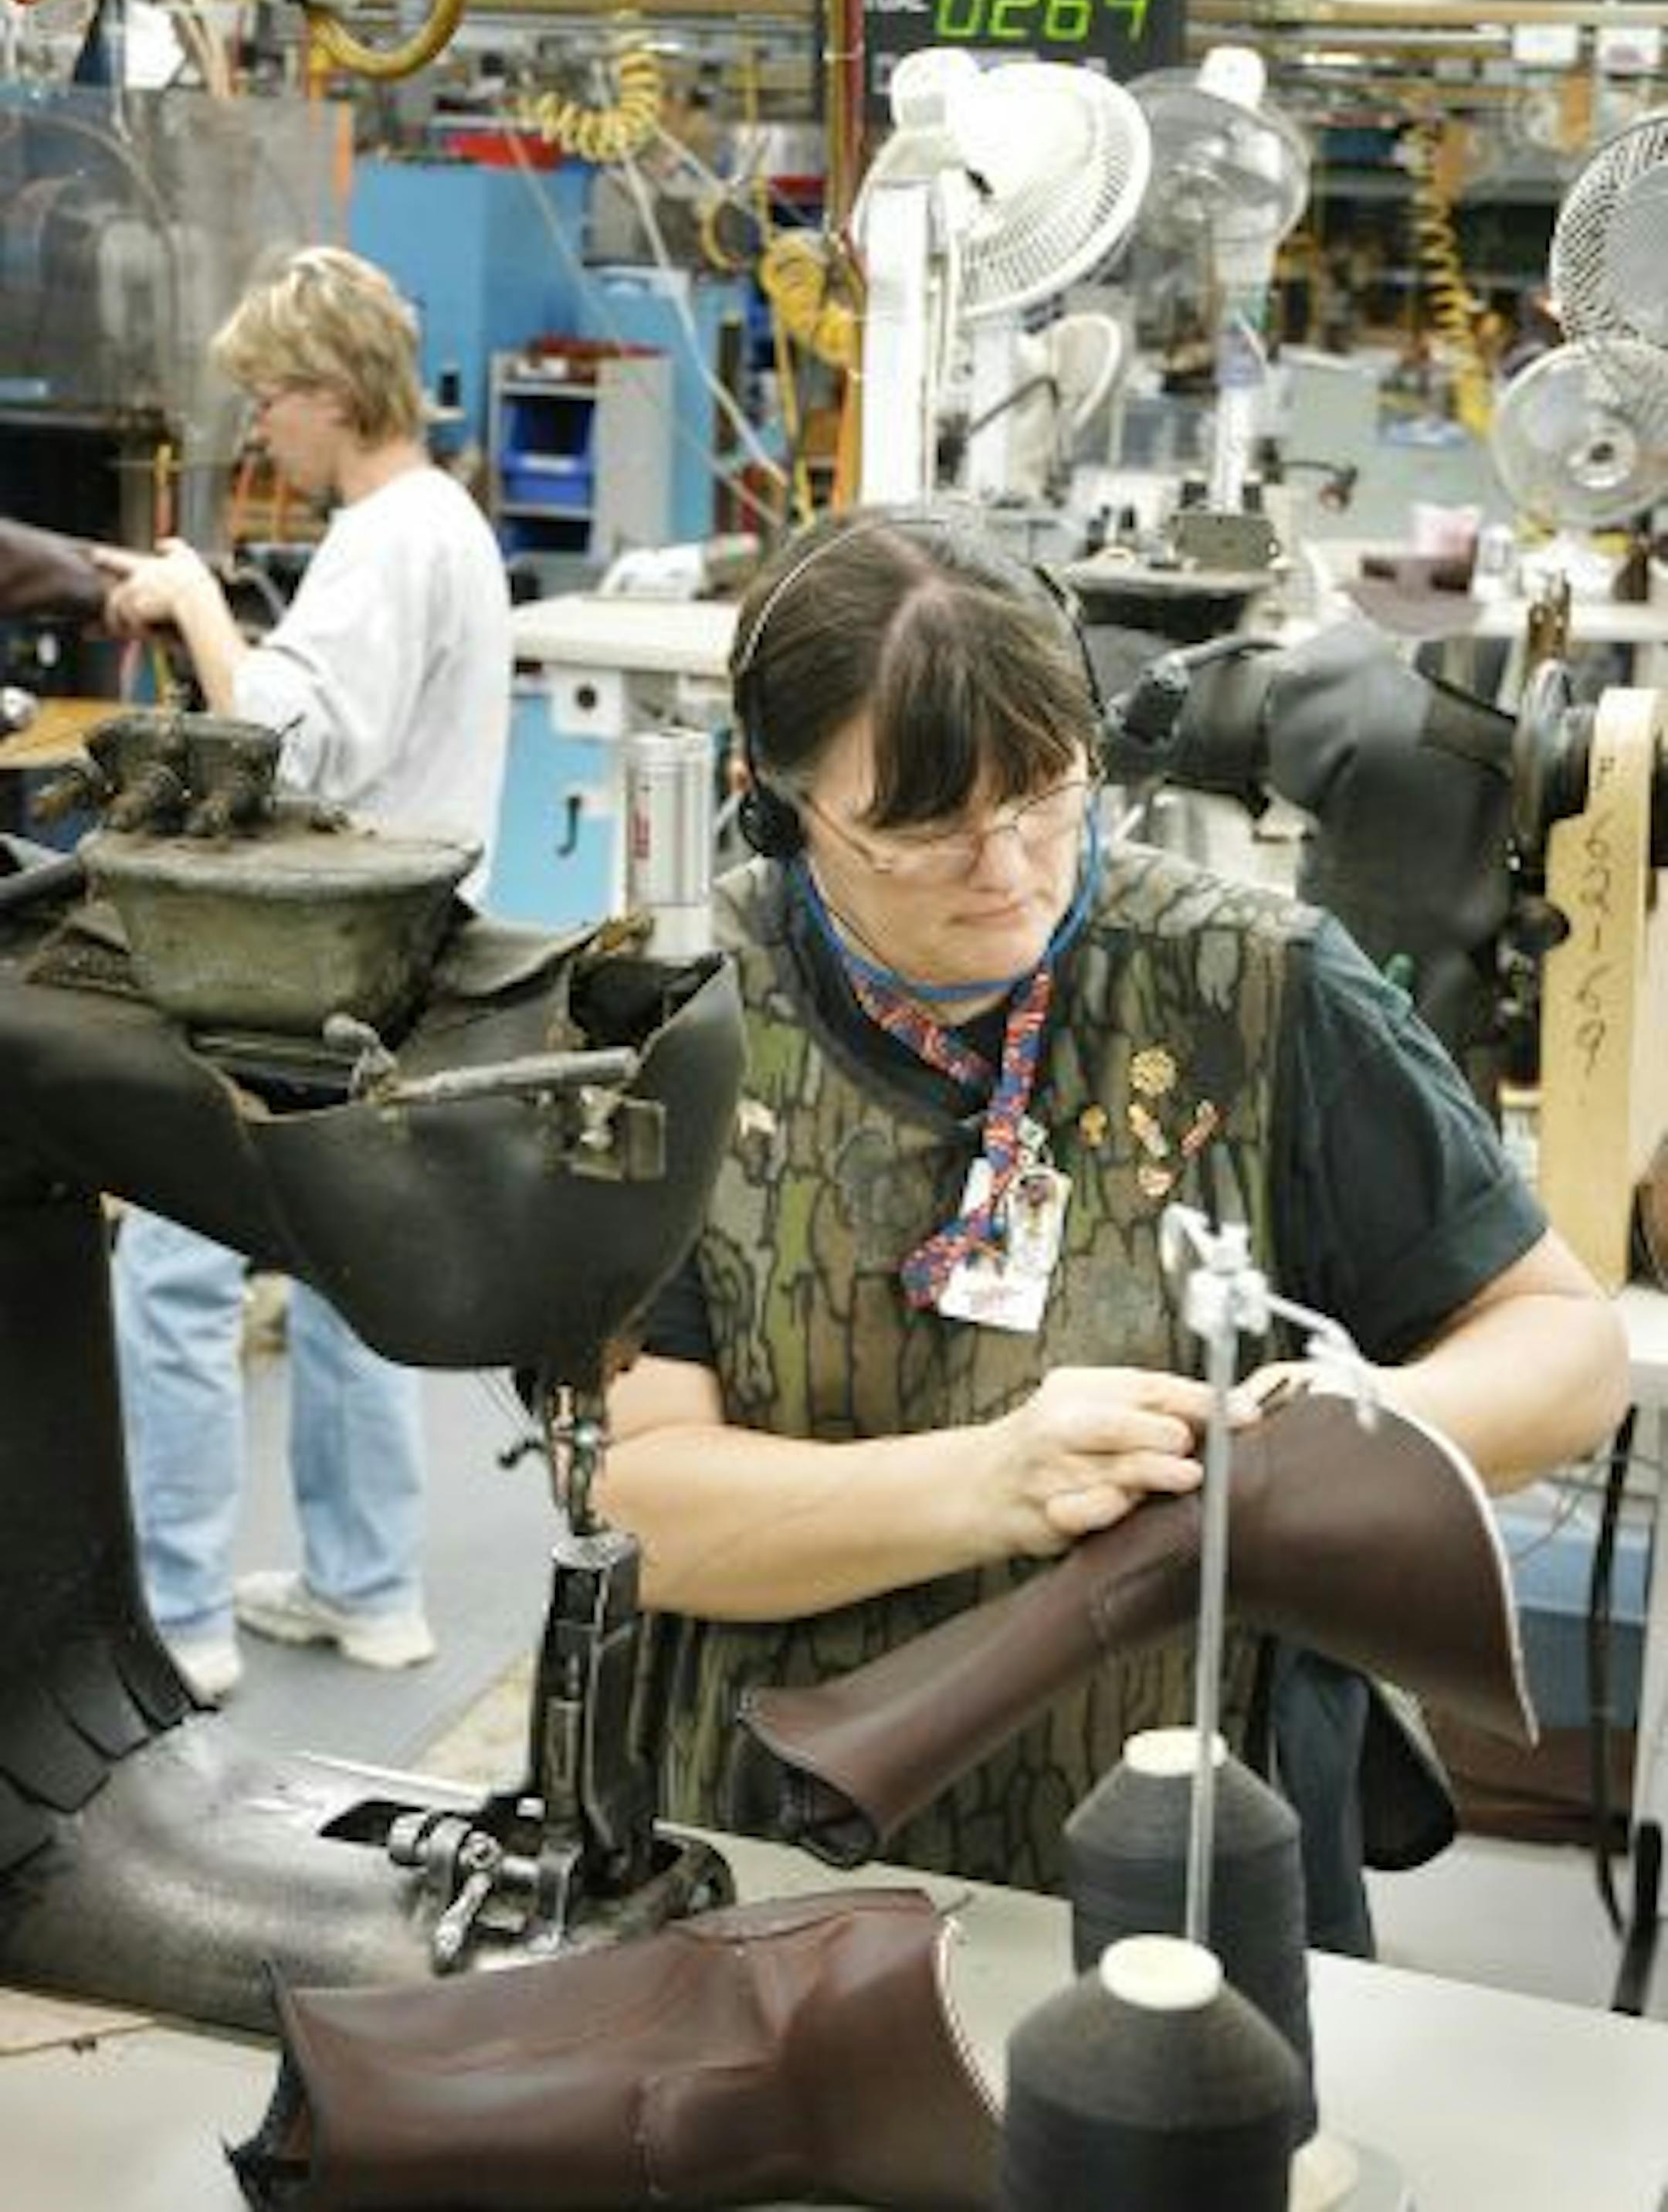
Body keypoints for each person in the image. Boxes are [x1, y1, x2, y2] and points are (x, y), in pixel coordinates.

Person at [595, 504, 1629, 1901]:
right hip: (775, 1863)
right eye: (924, 832)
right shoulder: (682, 1012)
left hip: (1199, 1856)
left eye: (1045, 795)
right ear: (776, 798)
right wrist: (989, 1482)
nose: (1011, 870)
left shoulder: (1259, 991)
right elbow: (641, 1499)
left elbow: (1566, 1350)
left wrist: (1304, 1457)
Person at [97, 246, 514, 1702]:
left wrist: (198, 603)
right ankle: (369, 1588)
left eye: (269, 397)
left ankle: (184, 1622)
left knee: (173, 1271)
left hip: (307, 978)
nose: (258, 425)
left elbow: (287, 753)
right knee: (349, 1272)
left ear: (334, 394)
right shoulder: (441, 522)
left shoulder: (390, 535)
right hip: (401, 965)